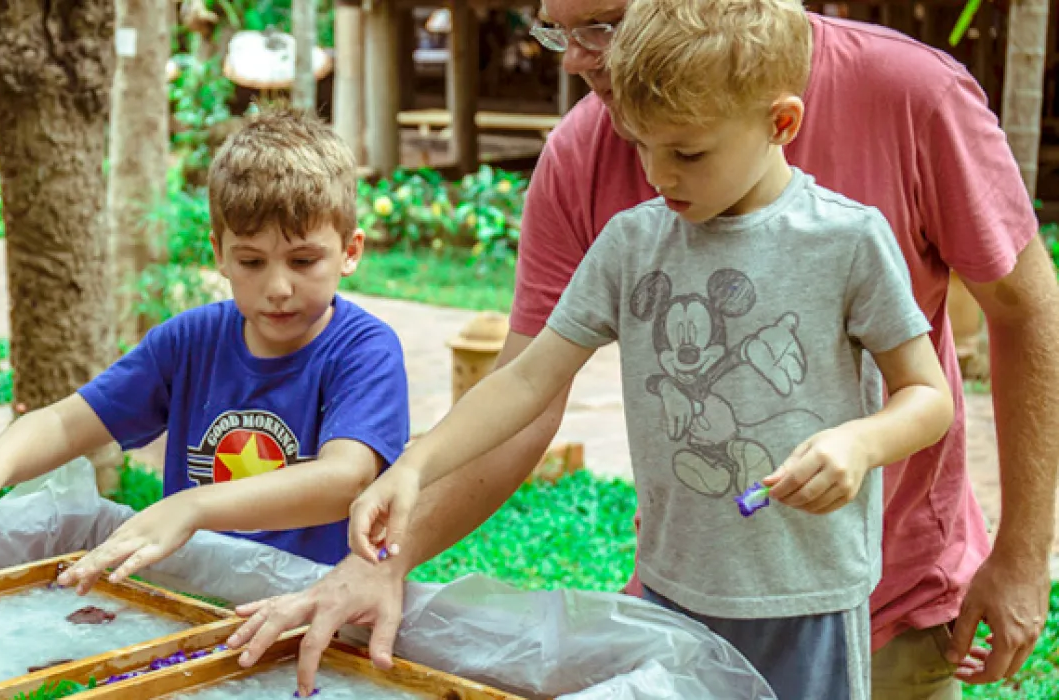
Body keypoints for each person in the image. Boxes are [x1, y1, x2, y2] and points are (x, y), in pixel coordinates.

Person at [227, 2, 1059, 698]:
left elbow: (934, 389)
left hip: (827, 602)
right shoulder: (632, 234)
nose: (658, 174)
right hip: (674, 593)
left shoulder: (851, 227)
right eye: (638, 144)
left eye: (685, 152)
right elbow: (528, 382)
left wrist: (863, 444)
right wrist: (415, 467)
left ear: (779, 122)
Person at [0, 109, 409, 590]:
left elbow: (344, 479)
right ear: (220, 255)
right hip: (197, 600)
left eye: (303, 261)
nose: (278, 288)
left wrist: (191, 507)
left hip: (315, 607)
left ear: (350, 252)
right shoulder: (190, 342)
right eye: (252, 262)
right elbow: (67, 422)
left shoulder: (364, 352)